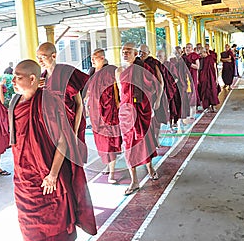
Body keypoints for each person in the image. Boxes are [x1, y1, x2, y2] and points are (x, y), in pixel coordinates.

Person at [9, 59, 97, 241]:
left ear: (32, 79)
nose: (13, 81)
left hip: (48, 173)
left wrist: (53, 174)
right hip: (24, 175)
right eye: (13, 76)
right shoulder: (15, 103)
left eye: (18, 76)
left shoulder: (48, 102)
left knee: (60, 214)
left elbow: (62, 139)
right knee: (27, 221)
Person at [116, 43, 159, 196]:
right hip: (126, 113)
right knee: (128, 146)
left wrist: (149, 103)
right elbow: (121, 92)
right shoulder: (119, 71)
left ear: (136, 54)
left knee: (145, 141)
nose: (125, 53)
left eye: (129, 51)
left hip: (141, 110)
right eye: (123, 51)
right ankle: (134, 180)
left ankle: (150, 167)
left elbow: (154, 86)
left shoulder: (142, 69)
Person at [36, 42, 89, 163]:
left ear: (53, 56)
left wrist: (74, 132)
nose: (40, 61)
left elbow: (79, 104)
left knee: (72, 162)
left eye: (43, 57)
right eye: (38, 57)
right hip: (53, 127)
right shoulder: (42, 78)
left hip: (69, 124)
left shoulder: (66, 72)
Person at [85, 49, 122, 184]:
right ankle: (108, 165)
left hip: (108, 112)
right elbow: (89, 90)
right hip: (95, 113)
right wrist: (86, 105)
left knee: (109, 143)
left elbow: (119, 88)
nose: (92, 60)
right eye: (92, 58)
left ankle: (112, 172)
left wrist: (120, 105)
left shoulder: (111, 70)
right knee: (100, 142)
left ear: (102, 58)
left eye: (95, 58)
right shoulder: (92, 72)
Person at [138, 44, 166, 142]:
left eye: (144, 52)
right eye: (140, 52)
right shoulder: (136, 63)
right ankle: (148, 141)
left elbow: (161, 82)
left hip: (154, 95)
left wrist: (158, 99)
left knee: (156, 119)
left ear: (149, 53)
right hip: (141, 96)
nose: (141, 54)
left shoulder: (153, 63)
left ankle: (156, 138)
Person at [198, 48, 220, 112]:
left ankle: (213, 107)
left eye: (201, 53)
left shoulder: (211, 58)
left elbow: (215, 68)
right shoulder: (201, 59)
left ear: (205, 52)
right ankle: (206, 107)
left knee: (213, 91)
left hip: (211, 78)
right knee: (204, 93)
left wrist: (216, 79)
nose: (200, 55)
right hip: (203, 78)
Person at [183, 43, 200, 119]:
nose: (187, 49)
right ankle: (187, 111)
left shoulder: (194, 55)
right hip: (184, 77)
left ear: (192, 48)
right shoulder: (183, 56)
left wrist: (190, 64)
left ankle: (193, 112)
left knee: (193, 92)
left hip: (192, 76)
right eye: (186, 47)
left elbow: (197, 67)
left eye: (189, 47)